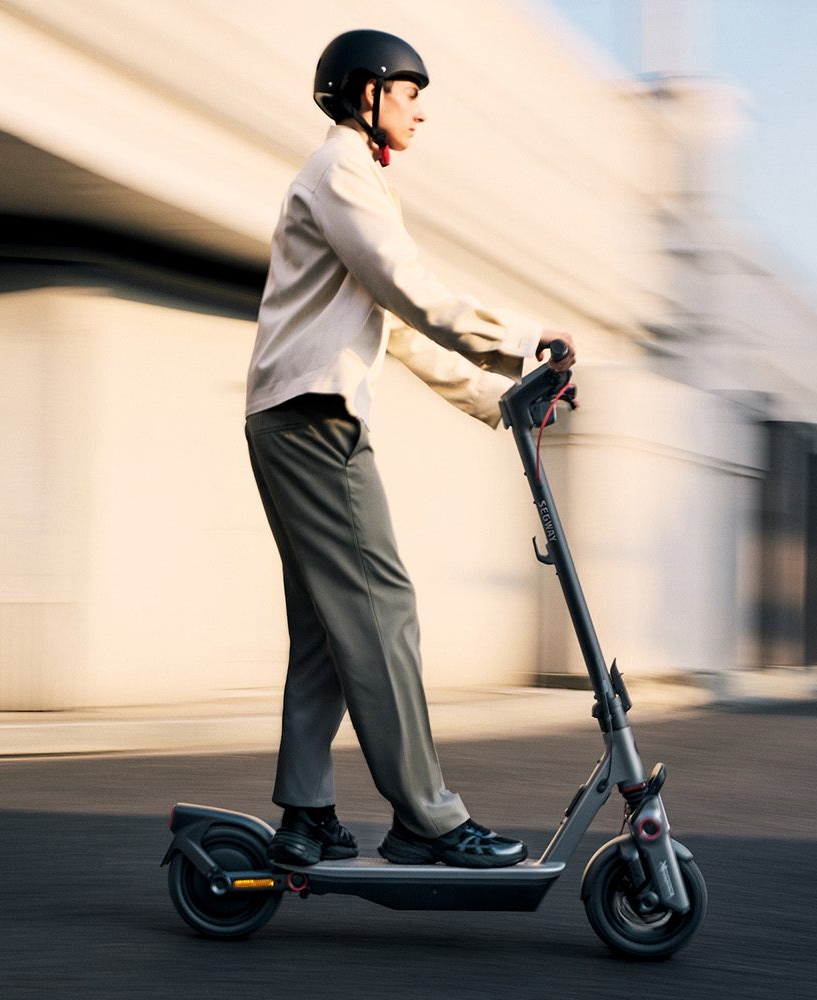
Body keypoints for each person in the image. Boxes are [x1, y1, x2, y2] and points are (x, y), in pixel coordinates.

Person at [245, 28, 576, 870]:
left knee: (329, 623)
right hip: (314, 423)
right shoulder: (341, 172)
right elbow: (414, 292)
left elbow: (393, 325)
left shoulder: (347, 181)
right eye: (409, 92)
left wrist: (497, 396)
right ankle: (426, 818)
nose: (421, 111)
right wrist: (528, 338)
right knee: (383, 608)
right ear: (366, 95)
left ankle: (307, 814)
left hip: (296, 419)